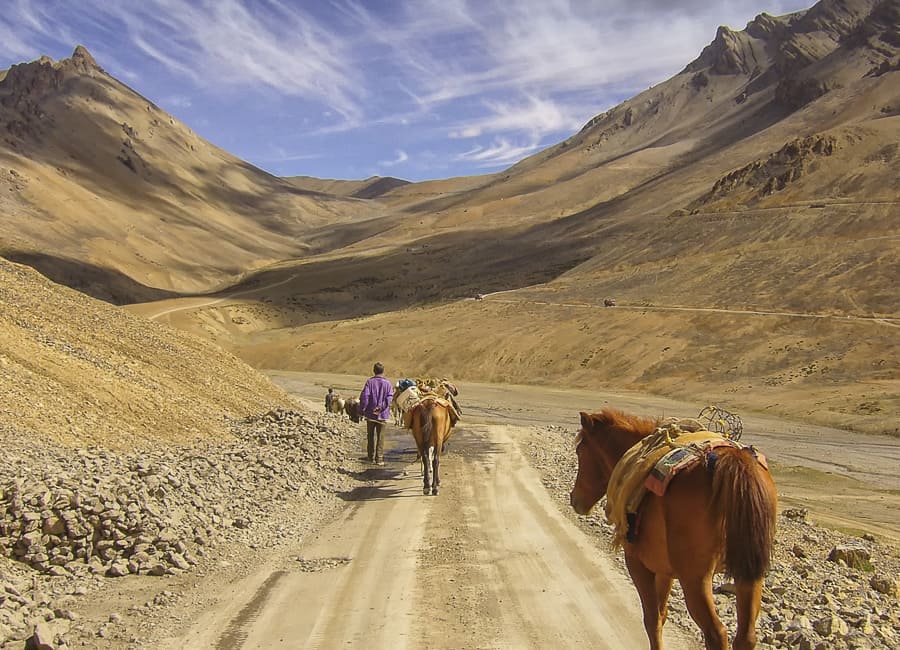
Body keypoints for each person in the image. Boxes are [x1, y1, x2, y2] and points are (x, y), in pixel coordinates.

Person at [359, 362, 394, 465]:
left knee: (370, 436)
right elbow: (389, 398)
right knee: (380, 437)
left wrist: (363, 409)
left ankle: (370, 457)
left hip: (370, 415)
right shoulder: (388, 384)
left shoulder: (369, 382)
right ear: (383, 371)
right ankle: (379, 459)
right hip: (382, 415)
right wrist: (381, 407)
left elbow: (365, 397)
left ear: (374, 371)